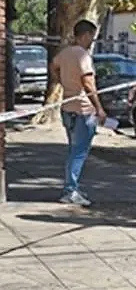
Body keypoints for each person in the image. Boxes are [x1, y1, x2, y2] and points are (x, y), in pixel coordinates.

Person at [50, 19, 107, 207]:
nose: (92, 41)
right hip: (83, 110)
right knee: (79, 152)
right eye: (92, 37)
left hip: (67, 108)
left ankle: (72, 187)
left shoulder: (65, 53)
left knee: (73, 150)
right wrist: (98, 107)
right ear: (86, 35)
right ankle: (70, 190)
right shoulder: (83, 55)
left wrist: (62, 82)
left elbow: (53, 65)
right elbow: (88, 83)